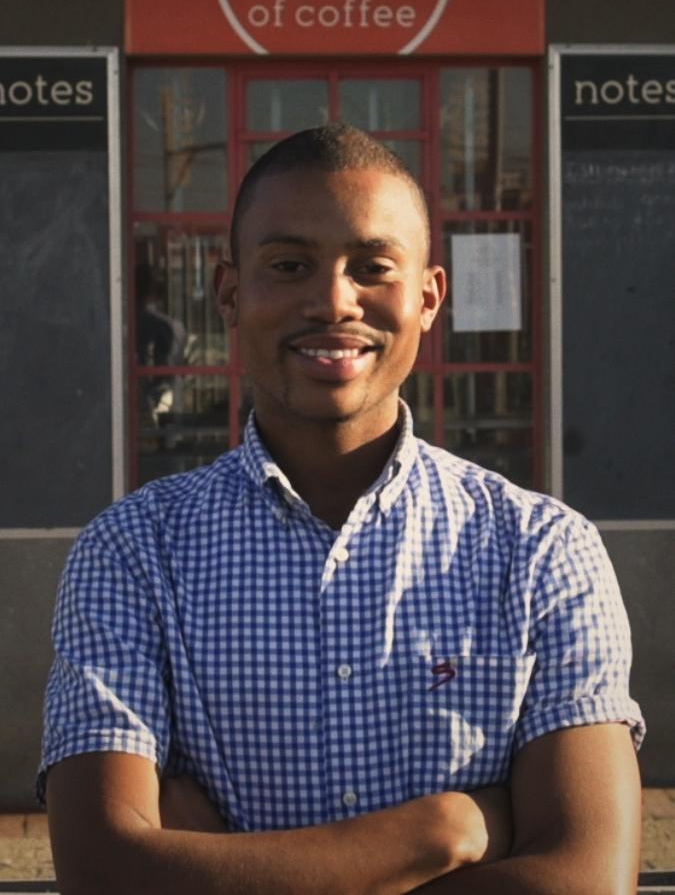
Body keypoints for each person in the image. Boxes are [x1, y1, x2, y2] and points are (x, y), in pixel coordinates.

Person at [41, 124, 644, 894]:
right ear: (230, 292)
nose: (332, 301)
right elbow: (103, 871)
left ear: (428, 298)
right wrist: (438, 833)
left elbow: (584, 880)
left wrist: (211, 864)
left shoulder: (541, 550)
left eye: (371, 268)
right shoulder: (131, 553)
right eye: (289, 265)